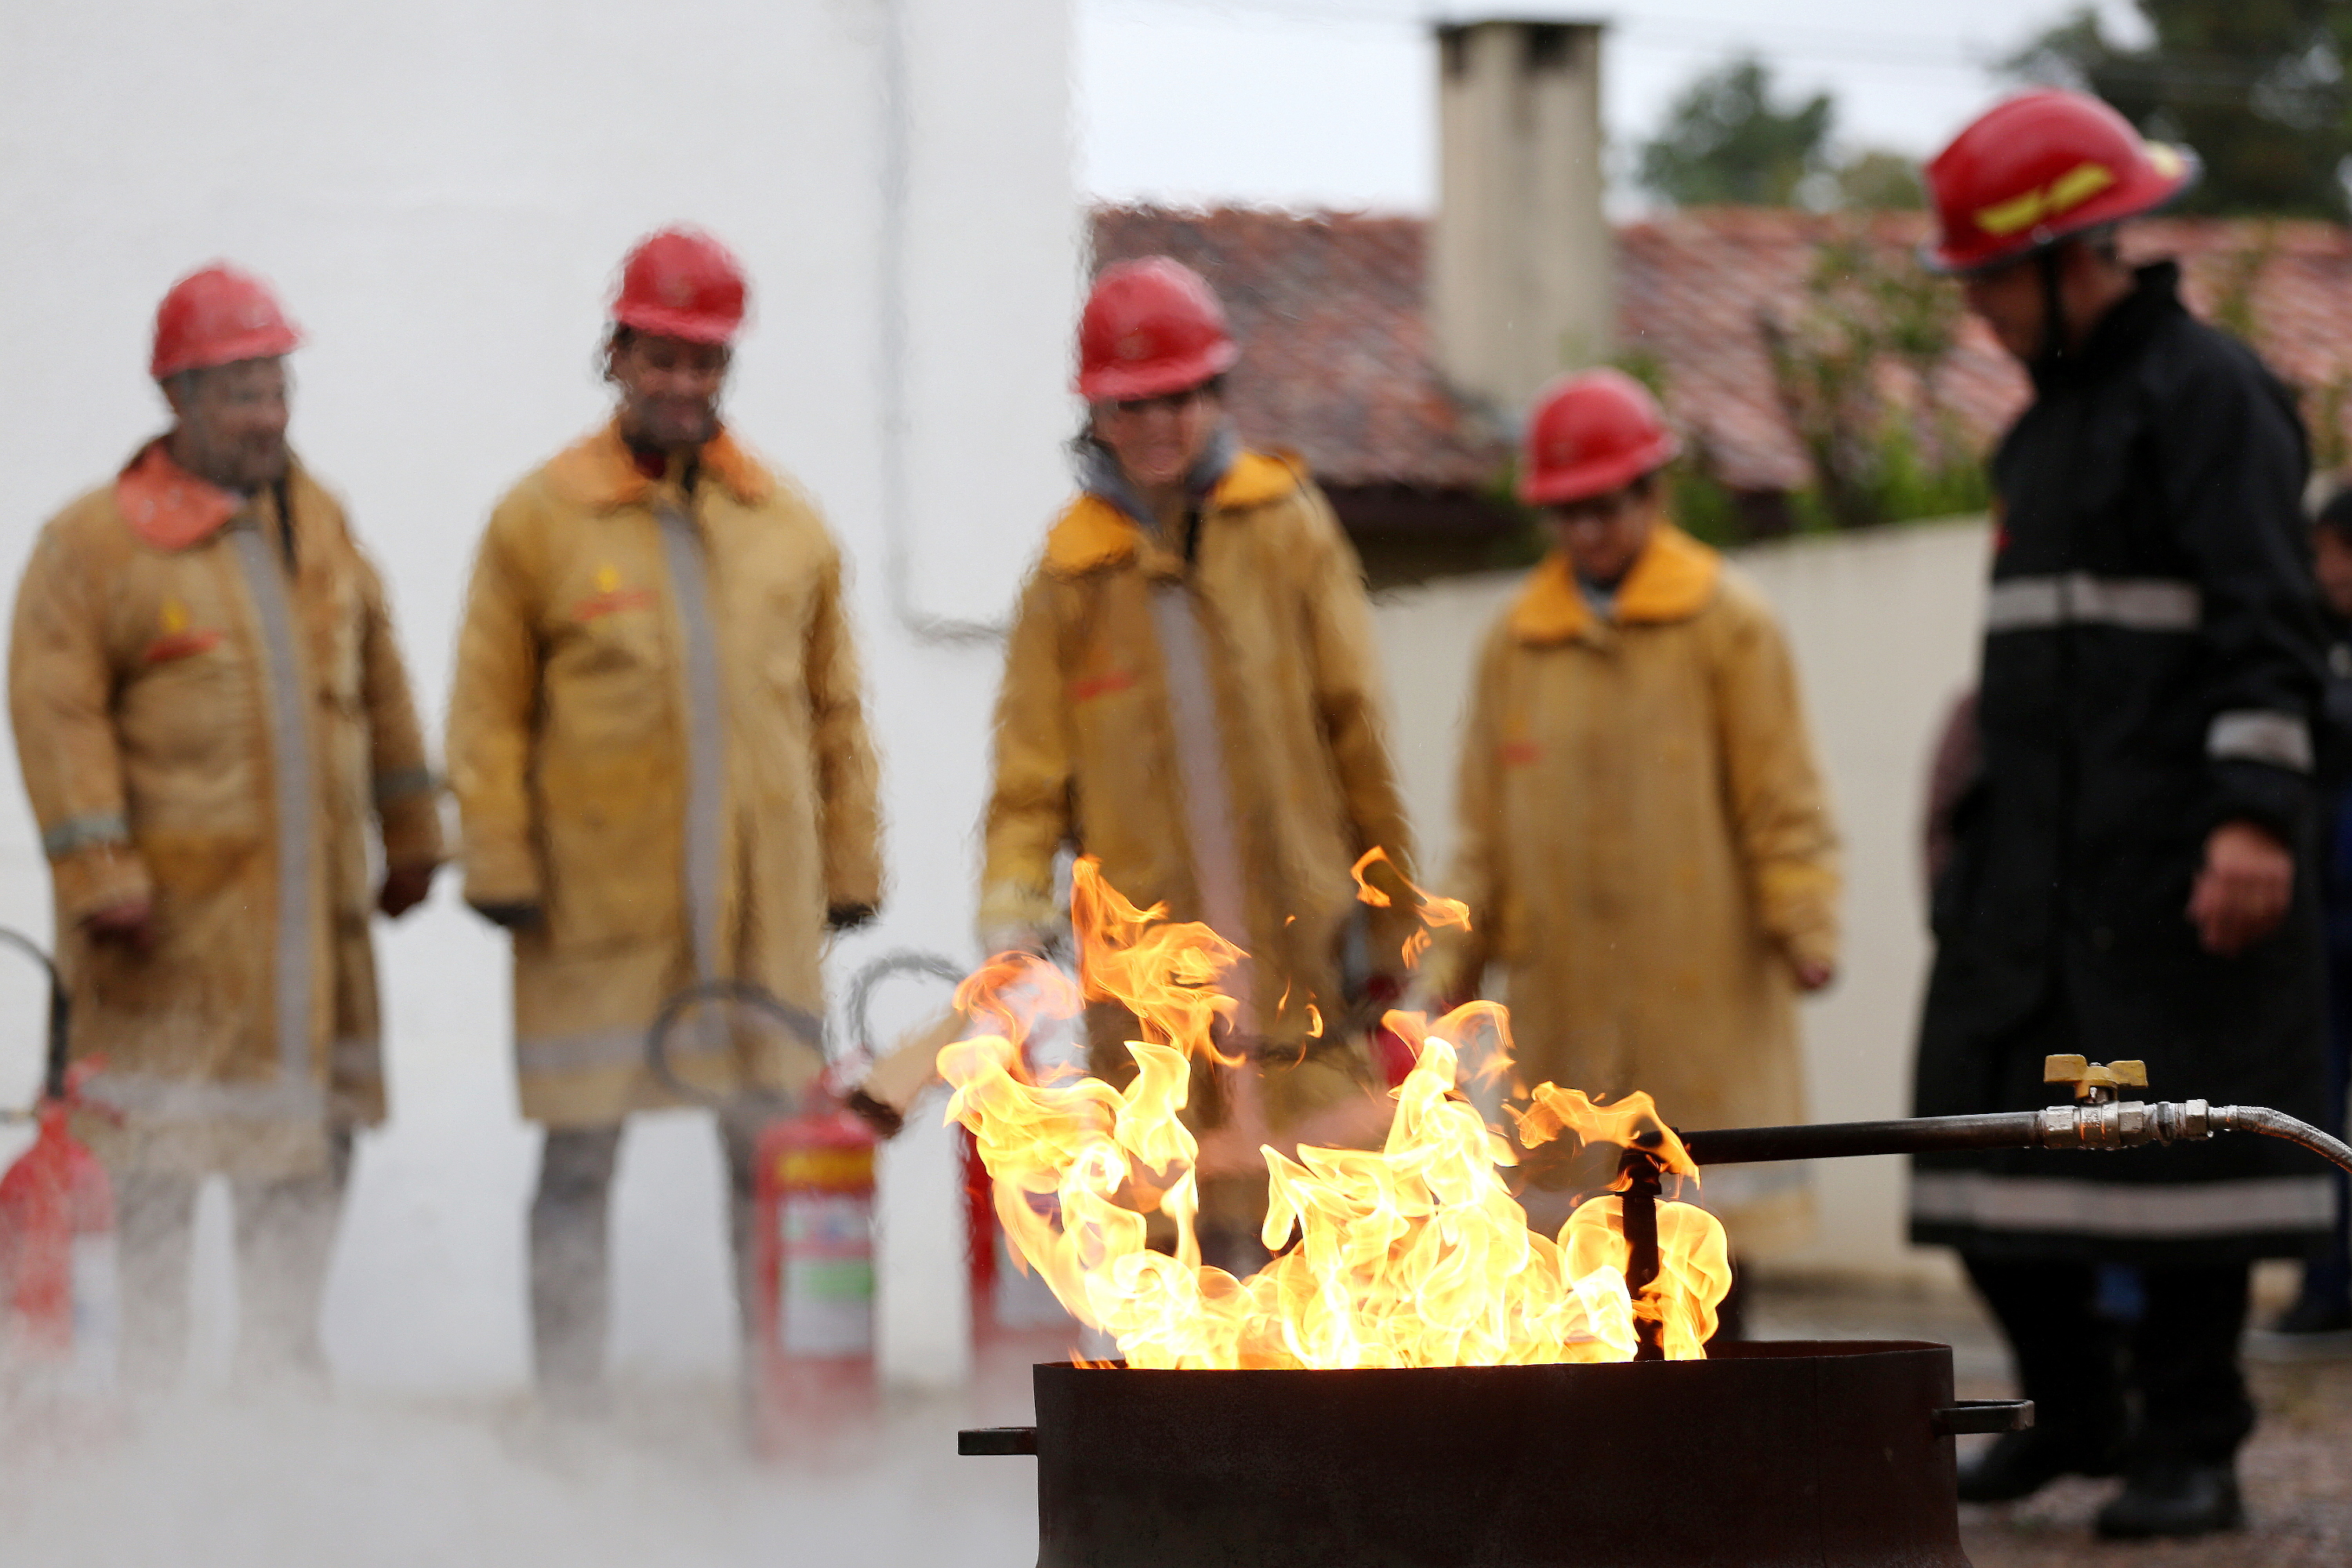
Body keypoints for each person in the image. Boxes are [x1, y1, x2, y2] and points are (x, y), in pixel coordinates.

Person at [1909, 90, 2330, 1538]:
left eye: (1986, 281)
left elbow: (2273, 620)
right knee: (1975, 1145)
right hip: (2033, 881)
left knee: (2182, 1169)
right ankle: (2074, 1411)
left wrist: (2257, 820)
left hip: (2175, 871)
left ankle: (2192, 1449)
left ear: (2074, 255)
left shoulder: (2209, 394)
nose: (1975, 312)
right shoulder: (2045, 435)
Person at [445, 228, 883, 1407]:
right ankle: (570, 1419)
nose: (680, 384)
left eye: (703, 363)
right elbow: (486, 711)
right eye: (659, 358)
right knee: (581, 1156)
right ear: (616, 353)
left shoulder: (789, 527)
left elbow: (837, 711)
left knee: (766, 1160)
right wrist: (496, 859)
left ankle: (780, 1409)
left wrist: (849, 861)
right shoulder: (537, 524)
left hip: (760, 907)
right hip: (595, 904)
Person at [7, 263, 444, 1386]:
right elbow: (56, 713)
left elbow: (381, 678)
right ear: (178, 400)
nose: (267, 413)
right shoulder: (90, 548)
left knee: (308, 1157)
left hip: (314, 940)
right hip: (169, 945)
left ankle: (280, 1378)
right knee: (156, 1168)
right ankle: (150, 1403)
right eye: (239, 390)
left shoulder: (323, 520)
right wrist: (101, 869)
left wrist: (417, 837)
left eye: (276, 384)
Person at [979, 256, 1417, 1272]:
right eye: (1133, 406)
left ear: (1213, 395)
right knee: (1175, 1257)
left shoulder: (1286, 529)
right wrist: (1010, 910)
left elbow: (1358, 732)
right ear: (1099, 417)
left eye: (1178, 397)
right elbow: (1028, 777)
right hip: (1151, 993)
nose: (1159, 425)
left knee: (1330, 1242)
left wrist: (1389, 913)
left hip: (1306, 959)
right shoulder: (1068, 579)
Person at [1424, 369, 1841, 1291]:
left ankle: (1722, 1437)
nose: (1587, 531)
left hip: (1703, 996)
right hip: (1564, 1005)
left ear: (1653, 493)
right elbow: (1482, 837)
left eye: (1605, 507)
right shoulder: (1515, 645)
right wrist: (1443, 979)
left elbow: (1783, 796)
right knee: (1581, 1282)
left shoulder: (1728, 625)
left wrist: (1805, 923)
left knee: (1708, 1270)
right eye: (1567, 512)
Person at [2268, 489, 2352, 1338]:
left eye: (2338, 551)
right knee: (2316, 1109)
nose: (2325, 569)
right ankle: (2328, 1283)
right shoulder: (2309, 644)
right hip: (2322, 918)